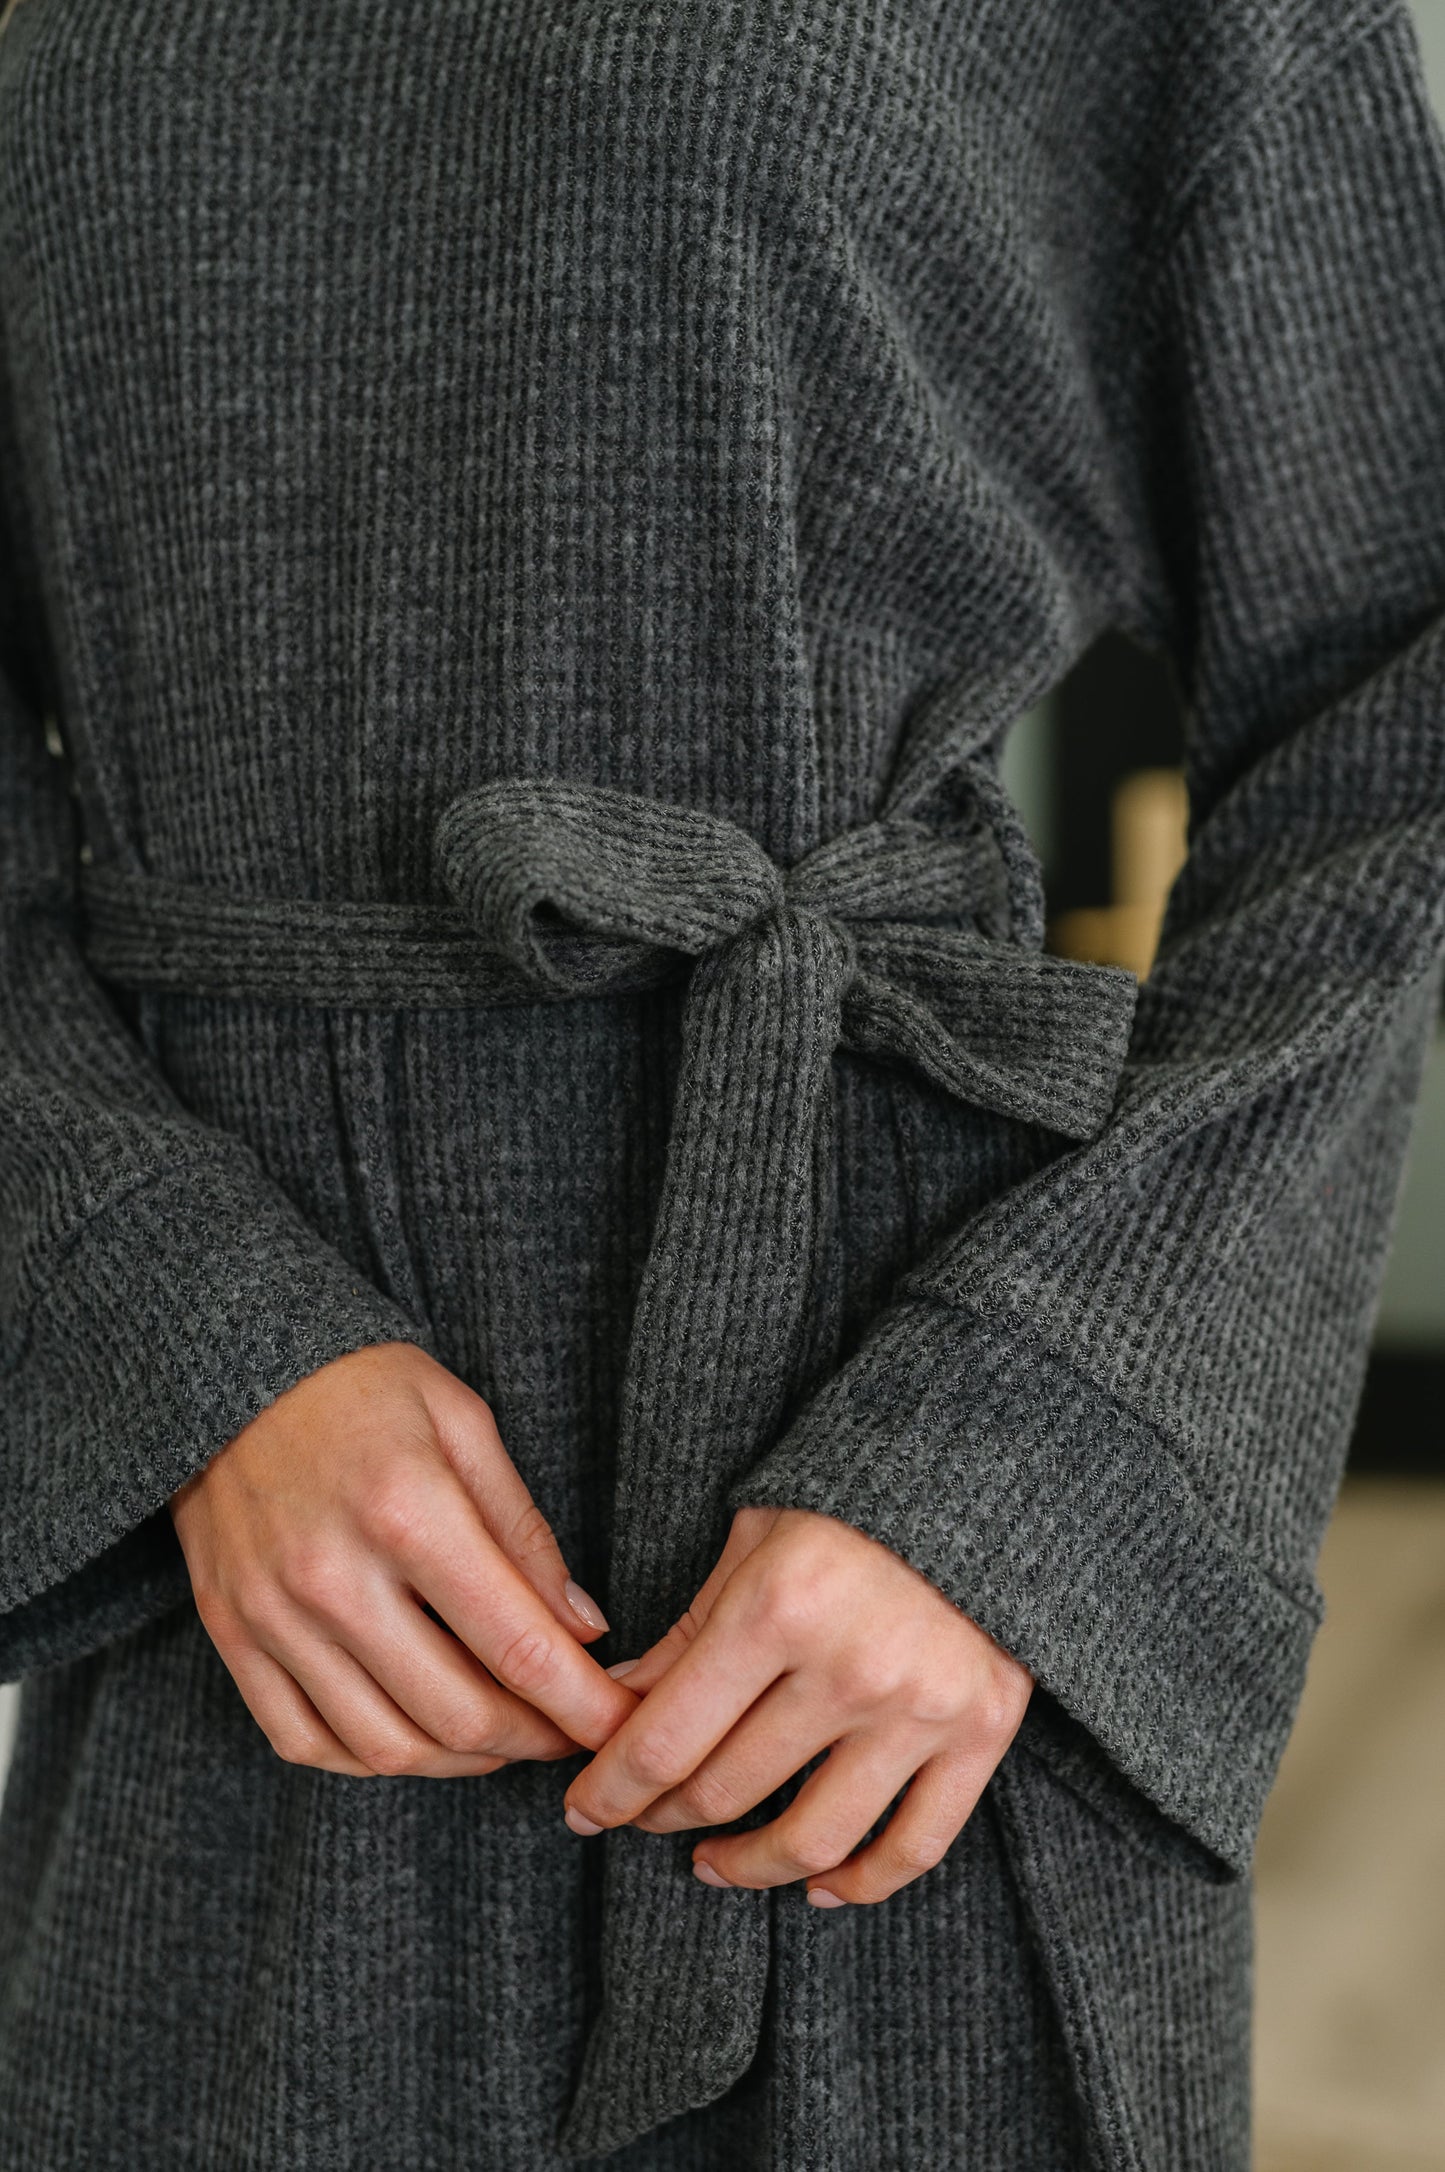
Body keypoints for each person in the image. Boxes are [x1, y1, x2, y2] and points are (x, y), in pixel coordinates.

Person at [2, 2, 1443, 2165]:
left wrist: (1013, 1476)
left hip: (885, 1608)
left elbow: (1399, 716)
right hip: (241, 1613)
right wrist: (174, 1320)